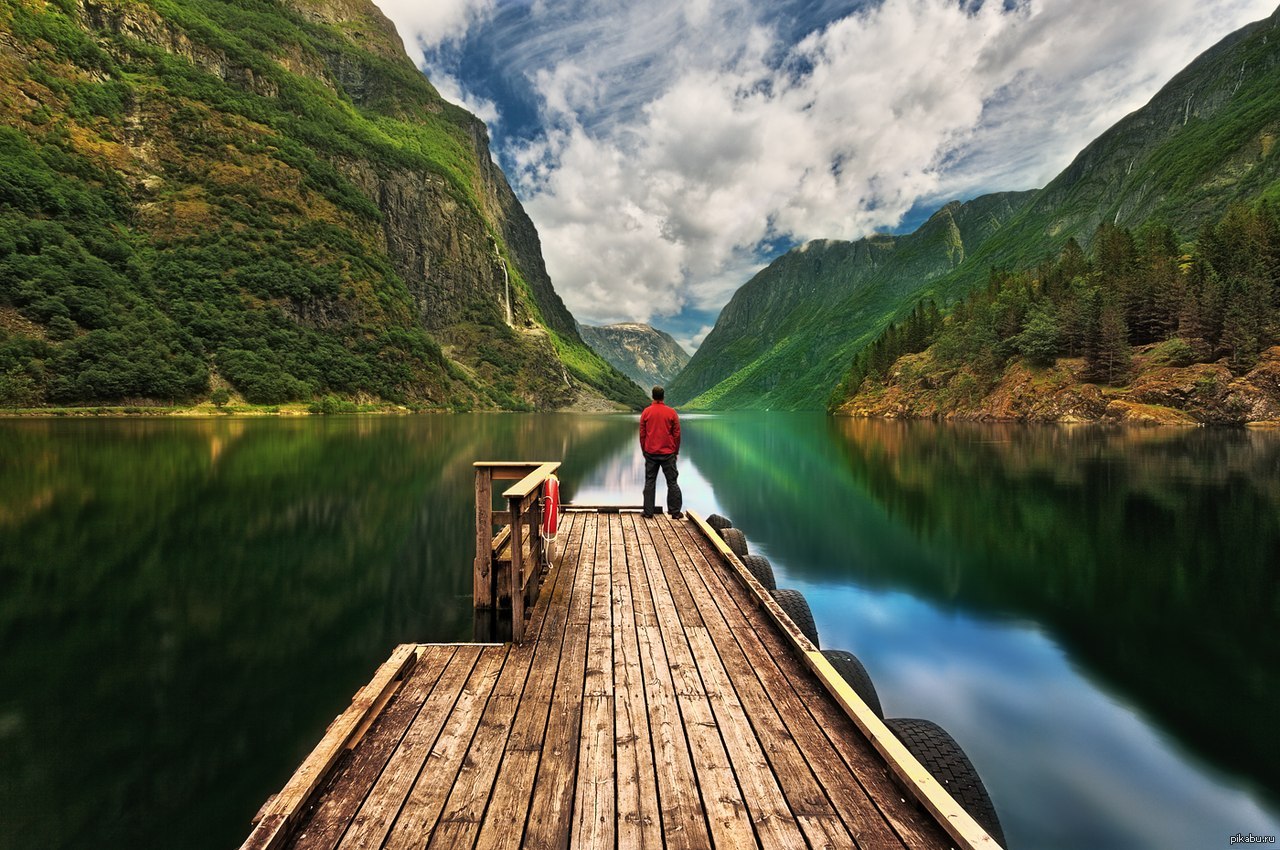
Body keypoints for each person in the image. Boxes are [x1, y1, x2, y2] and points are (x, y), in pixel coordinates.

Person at [639, 385, 682, 519]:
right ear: (663, 396)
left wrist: (644, 450)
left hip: (651, 452)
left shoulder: (646, 412)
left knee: (650, 481)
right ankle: (674, 512)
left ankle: (648, 512)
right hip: (668, 453)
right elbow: (677, 434)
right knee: (672, 482)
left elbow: (642, 434)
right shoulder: (671, 412)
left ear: (652, 396)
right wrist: (675, 451)